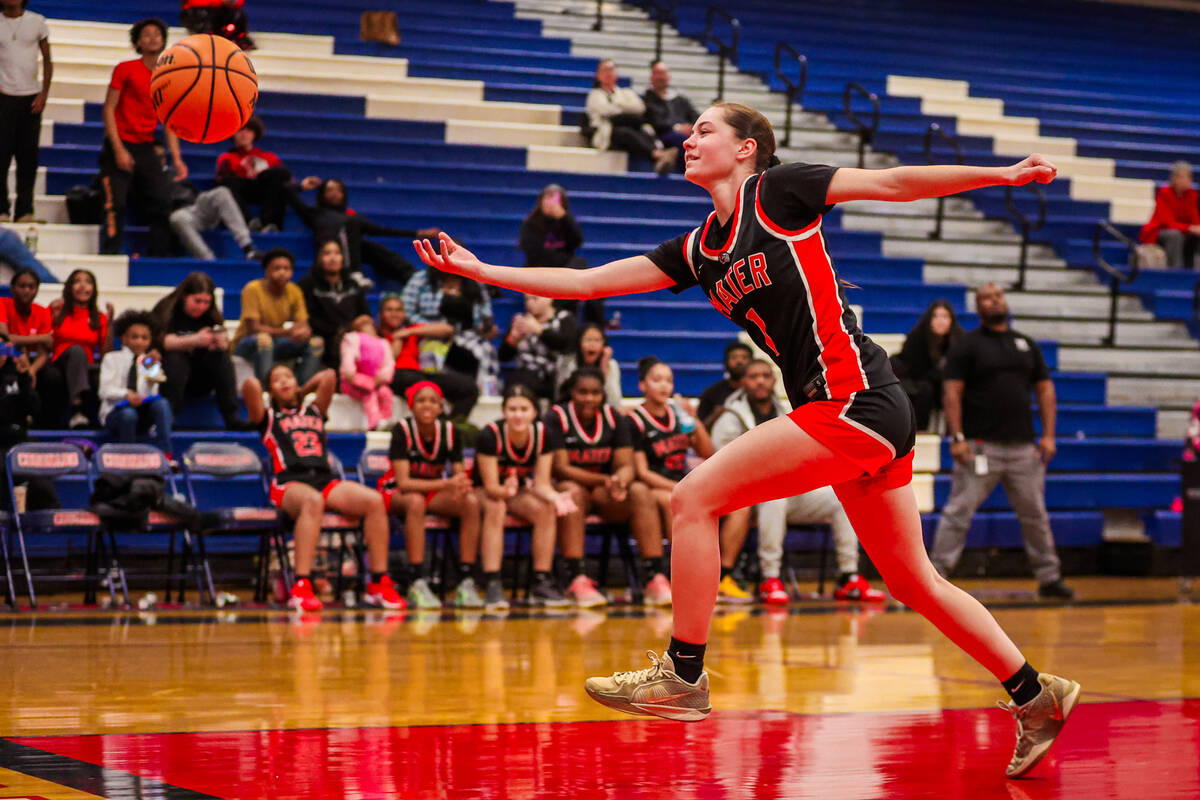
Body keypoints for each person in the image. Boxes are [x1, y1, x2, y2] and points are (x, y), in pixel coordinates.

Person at [412, 101, 1079, 778]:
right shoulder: (701, 249)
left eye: (705, 129)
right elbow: (587, 282)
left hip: (856, 401)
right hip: (845, 414)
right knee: (914, 580)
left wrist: (1002, 174)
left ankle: (683, 675)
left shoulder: (779, 194)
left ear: (747, 149)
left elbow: (892, 183)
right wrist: (485, 273)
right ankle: (1036, 696)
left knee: (694, 495)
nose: (687, 137)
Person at [931, 283, 1074, 601]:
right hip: (981, 447)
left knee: (1035, 514)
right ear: (978, 306)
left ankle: (1049, 577)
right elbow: (951, 392)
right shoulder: (967, 346)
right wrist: (957, 437)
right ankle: (935, 576)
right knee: (958, 511)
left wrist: (1049, 436)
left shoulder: (1025, 344)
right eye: (986, 298)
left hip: (1024, 448)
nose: (994, 301)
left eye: (998, 296)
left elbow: (1046, 390)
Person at [712, 359, 886, 603]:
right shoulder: (730, 418)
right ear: (743, 383)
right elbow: (720, 466)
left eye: (765, 375)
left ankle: (849, 576)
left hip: (786, 489)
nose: (760, 380)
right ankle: (770, 578)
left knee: (839, 498)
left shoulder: (787, 412)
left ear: (773, 381)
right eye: (753, 376)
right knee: (775, 500)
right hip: (747, 498)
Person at [244, 365, 403, 612]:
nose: (284, 381)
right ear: (270, 390)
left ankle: (378, 583)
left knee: (374, 501)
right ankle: (302, 585)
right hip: (289, 482)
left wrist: (300, 391)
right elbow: (250, 386)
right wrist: (271, 390)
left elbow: (329, 375)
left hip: (323, 479)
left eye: (288, 376)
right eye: (277, 380)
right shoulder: (267, 417)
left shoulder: (315, 410)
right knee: (313, 501)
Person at [547, 366, 670, 607]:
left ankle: (654, 577)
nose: (589, 398)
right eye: (583, 392)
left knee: (639, 491)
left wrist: (620, 480)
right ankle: (576, 578)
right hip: (572, 488)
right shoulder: (557, 417)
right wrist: (605, 480)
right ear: (572, 392)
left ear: (603, 394)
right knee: (572, 492)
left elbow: (626, 464)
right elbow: (561, 468)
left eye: (595, 392)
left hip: (605, 493)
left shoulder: (614, 418)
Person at [378, 381, 499, 610]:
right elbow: (404, 483)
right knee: (415, 502)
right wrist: (446, 483)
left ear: (441, 408)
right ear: (412, 406)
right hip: (396, 490)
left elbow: (458, 474)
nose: (427, 405)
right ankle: (417, 580)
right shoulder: (402, 430)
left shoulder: (450, 431)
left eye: (433, 401)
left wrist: (460, 486)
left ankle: (466, 579)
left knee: (470, 503)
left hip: (432, 490)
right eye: (421, 400)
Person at [473, 382, 577, 607]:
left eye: (524, 409)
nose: (518, 415)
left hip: (515, 490)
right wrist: (505, 491)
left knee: (546, 509)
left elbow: (541, 483)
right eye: (512, 409)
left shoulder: (542, 434)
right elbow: (491, 486)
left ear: (534, 412)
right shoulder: (490, 434)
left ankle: (540, 581)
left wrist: (556, 497)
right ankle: (493, 582)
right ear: (503, 411)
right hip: (483, 491)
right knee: (496, 506)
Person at [99, 18, 187, 257]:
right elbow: (108, 108)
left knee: (162, 200)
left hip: (146, 146)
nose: (152, 38)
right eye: (146, 34)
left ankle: (158, 255)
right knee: (115, 203)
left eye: (157, 34)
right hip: (119, 143)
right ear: (138, 41)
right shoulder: (125, 68)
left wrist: (177, 159)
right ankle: (110, 254)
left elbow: (169, 120)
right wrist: (118, 149)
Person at [286, 176, 439, 288]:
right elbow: (286, 191)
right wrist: (302, 187)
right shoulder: (314, 213)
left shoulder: (351, 217)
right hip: (331, 252)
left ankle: (413, 278)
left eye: (339, 190)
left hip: (354, 249)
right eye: (330, 190)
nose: (335, 193)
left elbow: (379, 230)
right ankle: (354, 273)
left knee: (374, 248)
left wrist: (417, 233)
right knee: (355, 228)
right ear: (322, 194)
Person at [152, 271, 245, 430]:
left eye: (206, 302)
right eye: (197, 301)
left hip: (201, 377)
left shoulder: (211, 315)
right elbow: (161, 343)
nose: (202, 307)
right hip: (168, 376)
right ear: (184, 297)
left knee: (221, 357)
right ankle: (169, 416)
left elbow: (222, 341)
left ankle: (231, 417)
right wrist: (195, 340)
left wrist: (221, 344)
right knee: (176, 358)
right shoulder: (166, 311)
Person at [401, 265, 497, 399]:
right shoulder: (421, 280)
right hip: (430, 333)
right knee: (434, 353)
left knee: (483, 351)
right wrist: (433, 327)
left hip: (469, 335)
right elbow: (406, 311)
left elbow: (485, 313)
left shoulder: (473, 279)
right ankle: (434, 395)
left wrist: (486, 327)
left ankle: (480, 394)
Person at [377, 293, 479, 420]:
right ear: (380, 314)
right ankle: (439, 422)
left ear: (404, 314)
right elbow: (381, 363)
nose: (395, 314)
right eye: (389, 310)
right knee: (420, 384)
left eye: (399, 310)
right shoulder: (375, 335)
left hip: (420, 375)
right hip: (396, 376)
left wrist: (409, 332)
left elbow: (447, 329)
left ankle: (453, 425)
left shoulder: (410, 331)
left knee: (469, 387)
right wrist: (396, 342)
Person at [232, 248, 321, 384]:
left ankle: (300, 390)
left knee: (316, 343)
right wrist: (287, 333)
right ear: (267, 271)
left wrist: (303, 332)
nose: (282, 273)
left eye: (287, 268)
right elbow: (253, 327)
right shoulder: (253, 289)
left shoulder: (294, 291)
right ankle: (268, 391)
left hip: (276, 342)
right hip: (247, 342)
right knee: (264, 339)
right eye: (277, 268)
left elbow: (303, 323)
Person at [519, 184, 604, 326]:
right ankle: (552, 305)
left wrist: (563, 217)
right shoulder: (530, 224)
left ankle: (596, 326)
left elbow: (577, 242)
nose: (550, 204)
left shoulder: (566, 221)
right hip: (540, 271)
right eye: (547, 199)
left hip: (564, 273)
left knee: (584, 268)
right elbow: (532, 253)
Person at [160, 143, 261, 261]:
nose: (159, 160)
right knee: (177, 218)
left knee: (221, 192)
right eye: (155, 157)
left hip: (197, 204)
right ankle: (208, 260)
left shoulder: (174, 171)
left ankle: (248, 247)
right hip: (179, 212)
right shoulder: (146, 178)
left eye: (161, 156)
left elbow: (189, 189)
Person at [0, 0, 52, 223]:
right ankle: (1, 209)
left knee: (28, 158)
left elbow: (48, 61)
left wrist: (43, 94)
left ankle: (24, 211)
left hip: (31, 98)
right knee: (0, 156)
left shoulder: (37, 21)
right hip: (2, 96)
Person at [40, 268, 112, 428]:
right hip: (59, 361)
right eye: (77, 281)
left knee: (96, 372)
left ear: (93, 289)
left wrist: (110, 323)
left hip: (87, 365)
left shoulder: (99, 317)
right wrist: (49, 312)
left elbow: (106, 354)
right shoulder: (58, 310)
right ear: (69, 288)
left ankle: (96, 421)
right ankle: (75, 409)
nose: (82, 286)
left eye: (88, 282)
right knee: (76, 350)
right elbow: (41, 337)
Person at [98, 309, 173, 455]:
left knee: (163, 404)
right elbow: (104, 391)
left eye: (144, 338)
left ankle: (166, 453)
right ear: (124, 339)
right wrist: (126, 394)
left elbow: (153, 394)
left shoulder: (150, 362)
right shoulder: (112, 358)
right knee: (128, 414)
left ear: (150, 340)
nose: (140, 341)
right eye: (135, 337)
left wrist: (151, 369)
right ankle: (128, 456)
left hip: (142, 413)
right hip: (116, 413)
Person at [584, 59, 677, 175]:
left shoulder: (626, 92)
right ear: (598, 75)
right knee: (625, 133)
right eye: (605, 70)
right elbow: (605, 110)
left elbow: (639, 108)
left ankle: (659, 155)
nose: (608, 73)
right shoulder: (595, 95)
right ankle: (658, 155)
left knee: (645, 130)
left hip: (632, 128)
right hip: (607, 132)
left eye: (611, 70)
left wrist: (616, 106)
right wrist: (625, 107)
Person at [891, 300, 964, 431]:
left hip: (945, 383)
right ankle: (919, 429)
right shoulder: (917, 337)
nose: (940, 321)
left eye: (945, 316)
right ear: (929, 319)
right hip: (919, 381)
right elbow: (914, 369)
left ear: (951, 319)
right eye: (936, 316)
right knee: (925, 388)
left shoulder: (960, 339)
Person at [298, 239, 370, 371]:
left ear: (343, 257)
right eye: (327, 253)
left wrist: (360, 324)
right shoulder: (308, 284)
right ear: (319, 258)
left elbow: (364, 313)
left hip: (352, 336)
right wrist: (338, 331)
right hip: (322, 336)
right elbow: (307, 316)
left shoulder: (352, 284)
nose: (333, 258)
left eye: (337, 253)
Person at [215, 116, 292, 233]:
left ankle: (270, 223)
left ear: (254, 134)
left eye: (249, 130)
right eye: (240, 130)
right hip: (240, 190)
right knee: (226, 182)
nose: (244, 134)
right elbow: (221, 180)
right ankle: (247, 222)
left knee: (281, 173)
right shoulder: (227, 158)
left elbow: (286, 181)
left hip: (266, 190)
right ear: (233, 134)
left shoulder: (269, 157)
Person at [499, 293, 576, 402]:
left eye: (535, 298)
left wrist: (540, 331)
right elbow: (503, 357)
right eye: (527, 299)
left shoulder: (564, 318)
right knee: (517, 381)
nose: (530, 303)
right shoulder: (521, 321)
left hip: (555, 373)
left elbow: (567, 346)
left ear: (549, 298)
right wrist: (513, 339)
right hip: (525, 373)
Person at [1140, 160, 1200, 269]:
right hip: (1161, 232)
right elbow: (1167, 222)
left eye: (1188, 177)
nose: (1186, 180)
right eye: (1182, 177)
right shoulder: (1164, 193)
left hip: (1183, 232)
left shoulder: (1192, 195)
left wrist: (1195, 228)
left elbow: (1195, 220)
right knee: (1174, 235)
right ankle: (1175, 271)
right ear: (1174, 178)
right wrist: (1190, 228)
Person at [338, 314, 395, 431]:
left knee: (385, 392)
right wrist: (352, 376)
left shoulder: (383, 343)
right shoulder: (352, 338)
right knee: (369, 391)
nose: (367, 325)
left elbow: (389, 364)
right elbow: (348, 359)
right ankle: (375, 422)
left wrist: (381, 378)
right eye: (363, 324)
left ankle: (386, 420)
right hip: (354, 381)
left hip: (375, 380)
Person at [0, 266, 51, 387]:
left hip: (32, 360)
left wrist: (32, 370)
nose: (27, 290)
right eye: (22, 286)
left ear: (37, 290)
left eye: (31, 287)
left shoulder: (42, 312)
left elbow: (43, 352)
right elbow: (5, 337)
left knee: (52, 376)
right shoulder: (2, 303)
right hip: (7, 356)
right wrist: (41, 337)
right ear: (12, 288)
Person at [643, 61, 696, 174]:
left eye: (663, 73)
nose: (660, 77)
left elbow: (695, 116)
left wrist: (693, 128)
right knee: (681, 140)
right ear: (652, 77)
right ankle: (688, 175)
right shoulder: (647, 100)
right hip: (663, 135)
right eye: (657, 73)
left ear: (668, 76)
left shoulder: (680, 100)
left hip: (687, 133)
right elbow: (655, 122)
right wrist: (677, 127)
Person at [556, 323, 622, 409]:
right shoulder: (567, 363)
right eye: (588, 340)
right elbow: (560, 397)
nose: (592, 344)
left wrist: (604, 369)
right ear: (579, 343)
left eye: (597, 340)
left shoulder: (611, 365)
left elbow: (615, 403)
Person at [696, 340, 752, 430]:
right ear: (726, 362)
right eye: (734, 357)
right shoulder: (711, 393)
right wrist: (715, 416)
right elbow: (698, 430)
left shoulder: (758, 392)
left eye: (744, 358)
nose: (739, 361)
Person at [180, 0, 254, 50]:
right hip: (197, 12)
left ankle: (240, 38)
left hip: (220, 14)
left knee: (237, 14)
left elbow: (239, 2)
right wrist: (220, 1)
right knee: (206, 13)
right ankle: (206, 38)